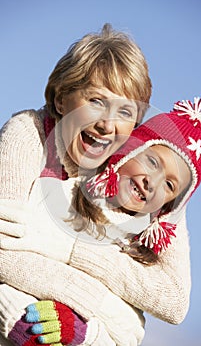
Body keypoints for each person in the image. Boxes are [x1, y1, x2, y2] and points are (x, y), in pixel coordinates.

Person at [0, 98, 201, 345]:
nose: (153, 182)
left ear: (171, 205)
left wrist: (83, 333)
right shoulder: (56, 196)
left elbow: (130, 333)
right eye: (152, 161)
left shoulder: (138, 252)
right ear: (129, 149)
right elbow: (5, 257)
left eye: (170, 185)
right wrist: (18, 318)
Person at [0, 22, 152, 346]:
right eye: (96, 100)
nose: (107, 124)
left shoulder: (120, 185)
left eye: (125, 111)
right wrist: (16, 314)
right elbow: (2, 250)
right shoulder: (27, 134)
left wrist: (84, 332)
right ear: (61, 99)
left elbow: (132, 328)